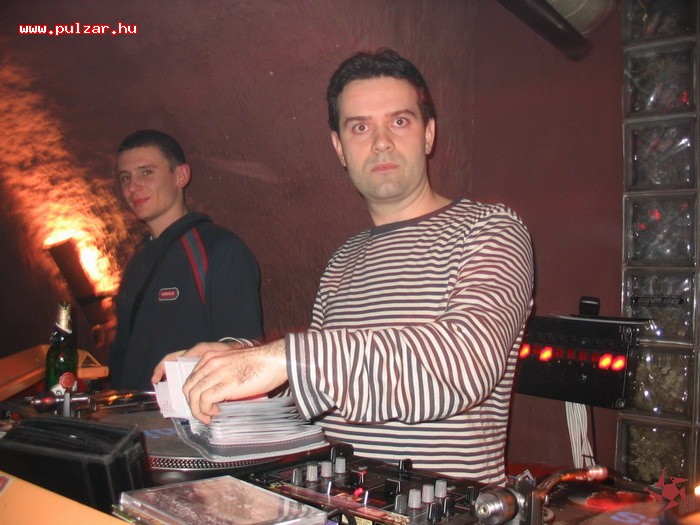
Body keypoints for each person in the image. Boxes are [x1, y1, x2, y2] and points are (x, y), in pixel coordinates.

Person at [153, 49, 534, 485]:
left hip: (450, 506)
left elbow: (463, 363)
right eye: (360, 127)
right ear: (340, 148)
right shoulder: (344, 258)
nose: (381, 142)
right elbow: (321, 387)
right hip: (338, 502)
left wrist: (282, 358)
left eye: (400, 121)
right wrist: (238, 358)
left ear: (428, 135)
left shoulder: (491, 229)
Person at [110, 129, 263, 391]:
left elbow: (245, 350)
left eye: (146, 172)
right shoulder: (135, 259)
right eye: (126, 177)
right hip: (133, 410)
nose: (133, 187)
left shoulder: (220, 249)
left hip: (193, 413)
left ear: (181, 176)